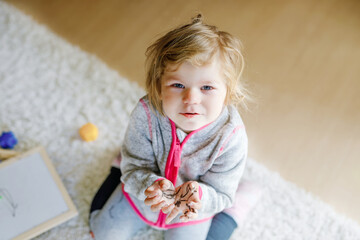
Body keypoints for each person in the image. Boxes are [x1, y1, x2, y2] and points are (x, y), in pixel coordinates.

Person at [89, 14, 252, 240]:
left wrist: (200, 196)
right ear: (159, 86)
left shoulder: (231, 137)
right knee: (100, 231)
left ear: (228, 92)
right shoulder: (147, 113)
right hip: (143, 198)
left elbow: (222, 195)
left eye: (206, 87)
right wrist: (151, 185)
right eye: (177, 85)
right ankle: (118, 163)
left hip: (193, 211)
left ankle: (236, 210)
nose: (191, 98)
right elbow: (135, 169)